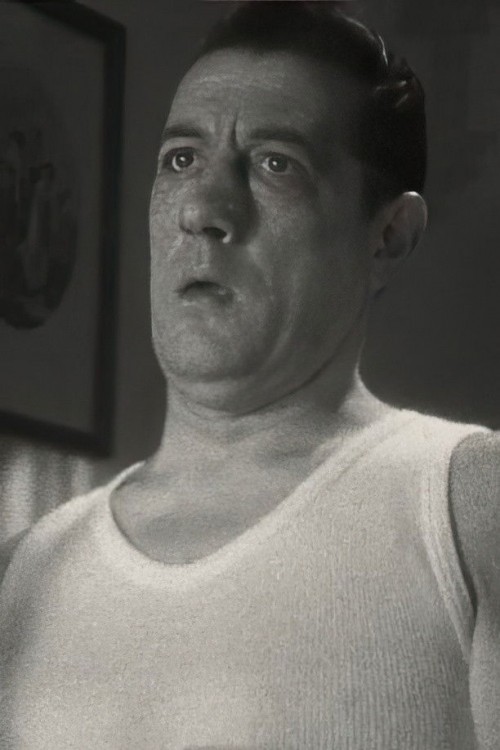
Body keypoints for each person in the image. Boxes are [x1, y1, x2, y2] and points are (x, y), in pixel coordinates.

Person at [1, 2, 499, 747]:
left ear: (389, 237)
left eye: (275, 163)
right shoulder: (24, 575)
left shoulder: (470, 510)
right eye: (181, 159)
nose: (204, 208)